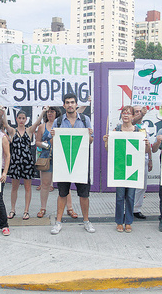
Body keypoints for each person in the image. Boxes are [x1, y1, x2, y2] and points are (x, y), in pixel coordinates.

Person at [50, 93, 95, 235]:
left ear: (76, 104)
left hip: (81, 162)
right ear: (64, 105)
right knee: (62, 193)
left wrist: (89, 136)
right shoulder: (58, 122)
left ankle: (86, 221)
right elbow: (53, 144)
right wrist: (52, 137)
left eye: (72, 102)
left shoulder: (85, 119)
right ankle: (58, 222)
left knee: (84, 194)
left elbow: (90, 141)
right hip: (63, 162)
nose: (70, 105)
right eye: (67, 102)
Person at [103, 106, 151, 233]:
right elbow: (109, 150)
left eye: (128, 113)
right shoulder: (116, 130)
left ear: (132, 116)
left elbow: (145, 151)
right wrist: (106, 142)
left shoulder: (139, 131)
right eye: (124, 113)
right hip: (120, 166)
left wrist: (146, 145)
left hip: (133, 167)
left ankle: (128, 222)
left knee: (130, 196)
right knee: (119, 196)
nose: (126, 115)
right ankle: (119, 221)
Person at [4, 108, 46, 220]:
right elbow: (5, 124)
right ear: (16, 119)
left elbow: (37, 122)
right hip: (15, 162)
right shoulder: (13, 131)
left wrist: (43, 111)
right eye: (20, 118)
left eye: (23, 118)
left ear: (26, 119)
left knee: (28, 187)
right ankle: (12, 210)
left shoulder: (29, 131)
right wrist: (3, 111)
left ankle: (26, 211)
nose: (21, 120)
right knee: (14, 187)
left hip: (27, 161)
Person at [35, 107, 77, 219]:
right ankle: (42, 208)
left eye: (52, 111)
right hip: (46, 158)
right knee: (45, 185)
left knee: (65, 185)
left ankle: (70, 208)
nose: (50, 114)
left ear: (56, 113)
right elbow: (37, 142)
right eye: (48, 112)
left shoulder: (62, 124)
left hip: (62, 157)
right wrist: (46, 145)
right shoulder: (41, 127)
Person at [131, 105, 153, 219]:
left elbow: (148, 144)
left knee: (143, 186)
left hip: (143, 157)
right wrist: (142, 114)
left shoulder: (145, 126)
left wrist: (150, 159)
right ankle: (128, 208)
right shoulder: (129, 124)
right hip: (131, 158)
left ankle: (136, 208)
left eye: (140, 111)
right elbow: (133, 121)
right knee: (131, 185)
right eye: (136, 112)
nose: (139, 113)